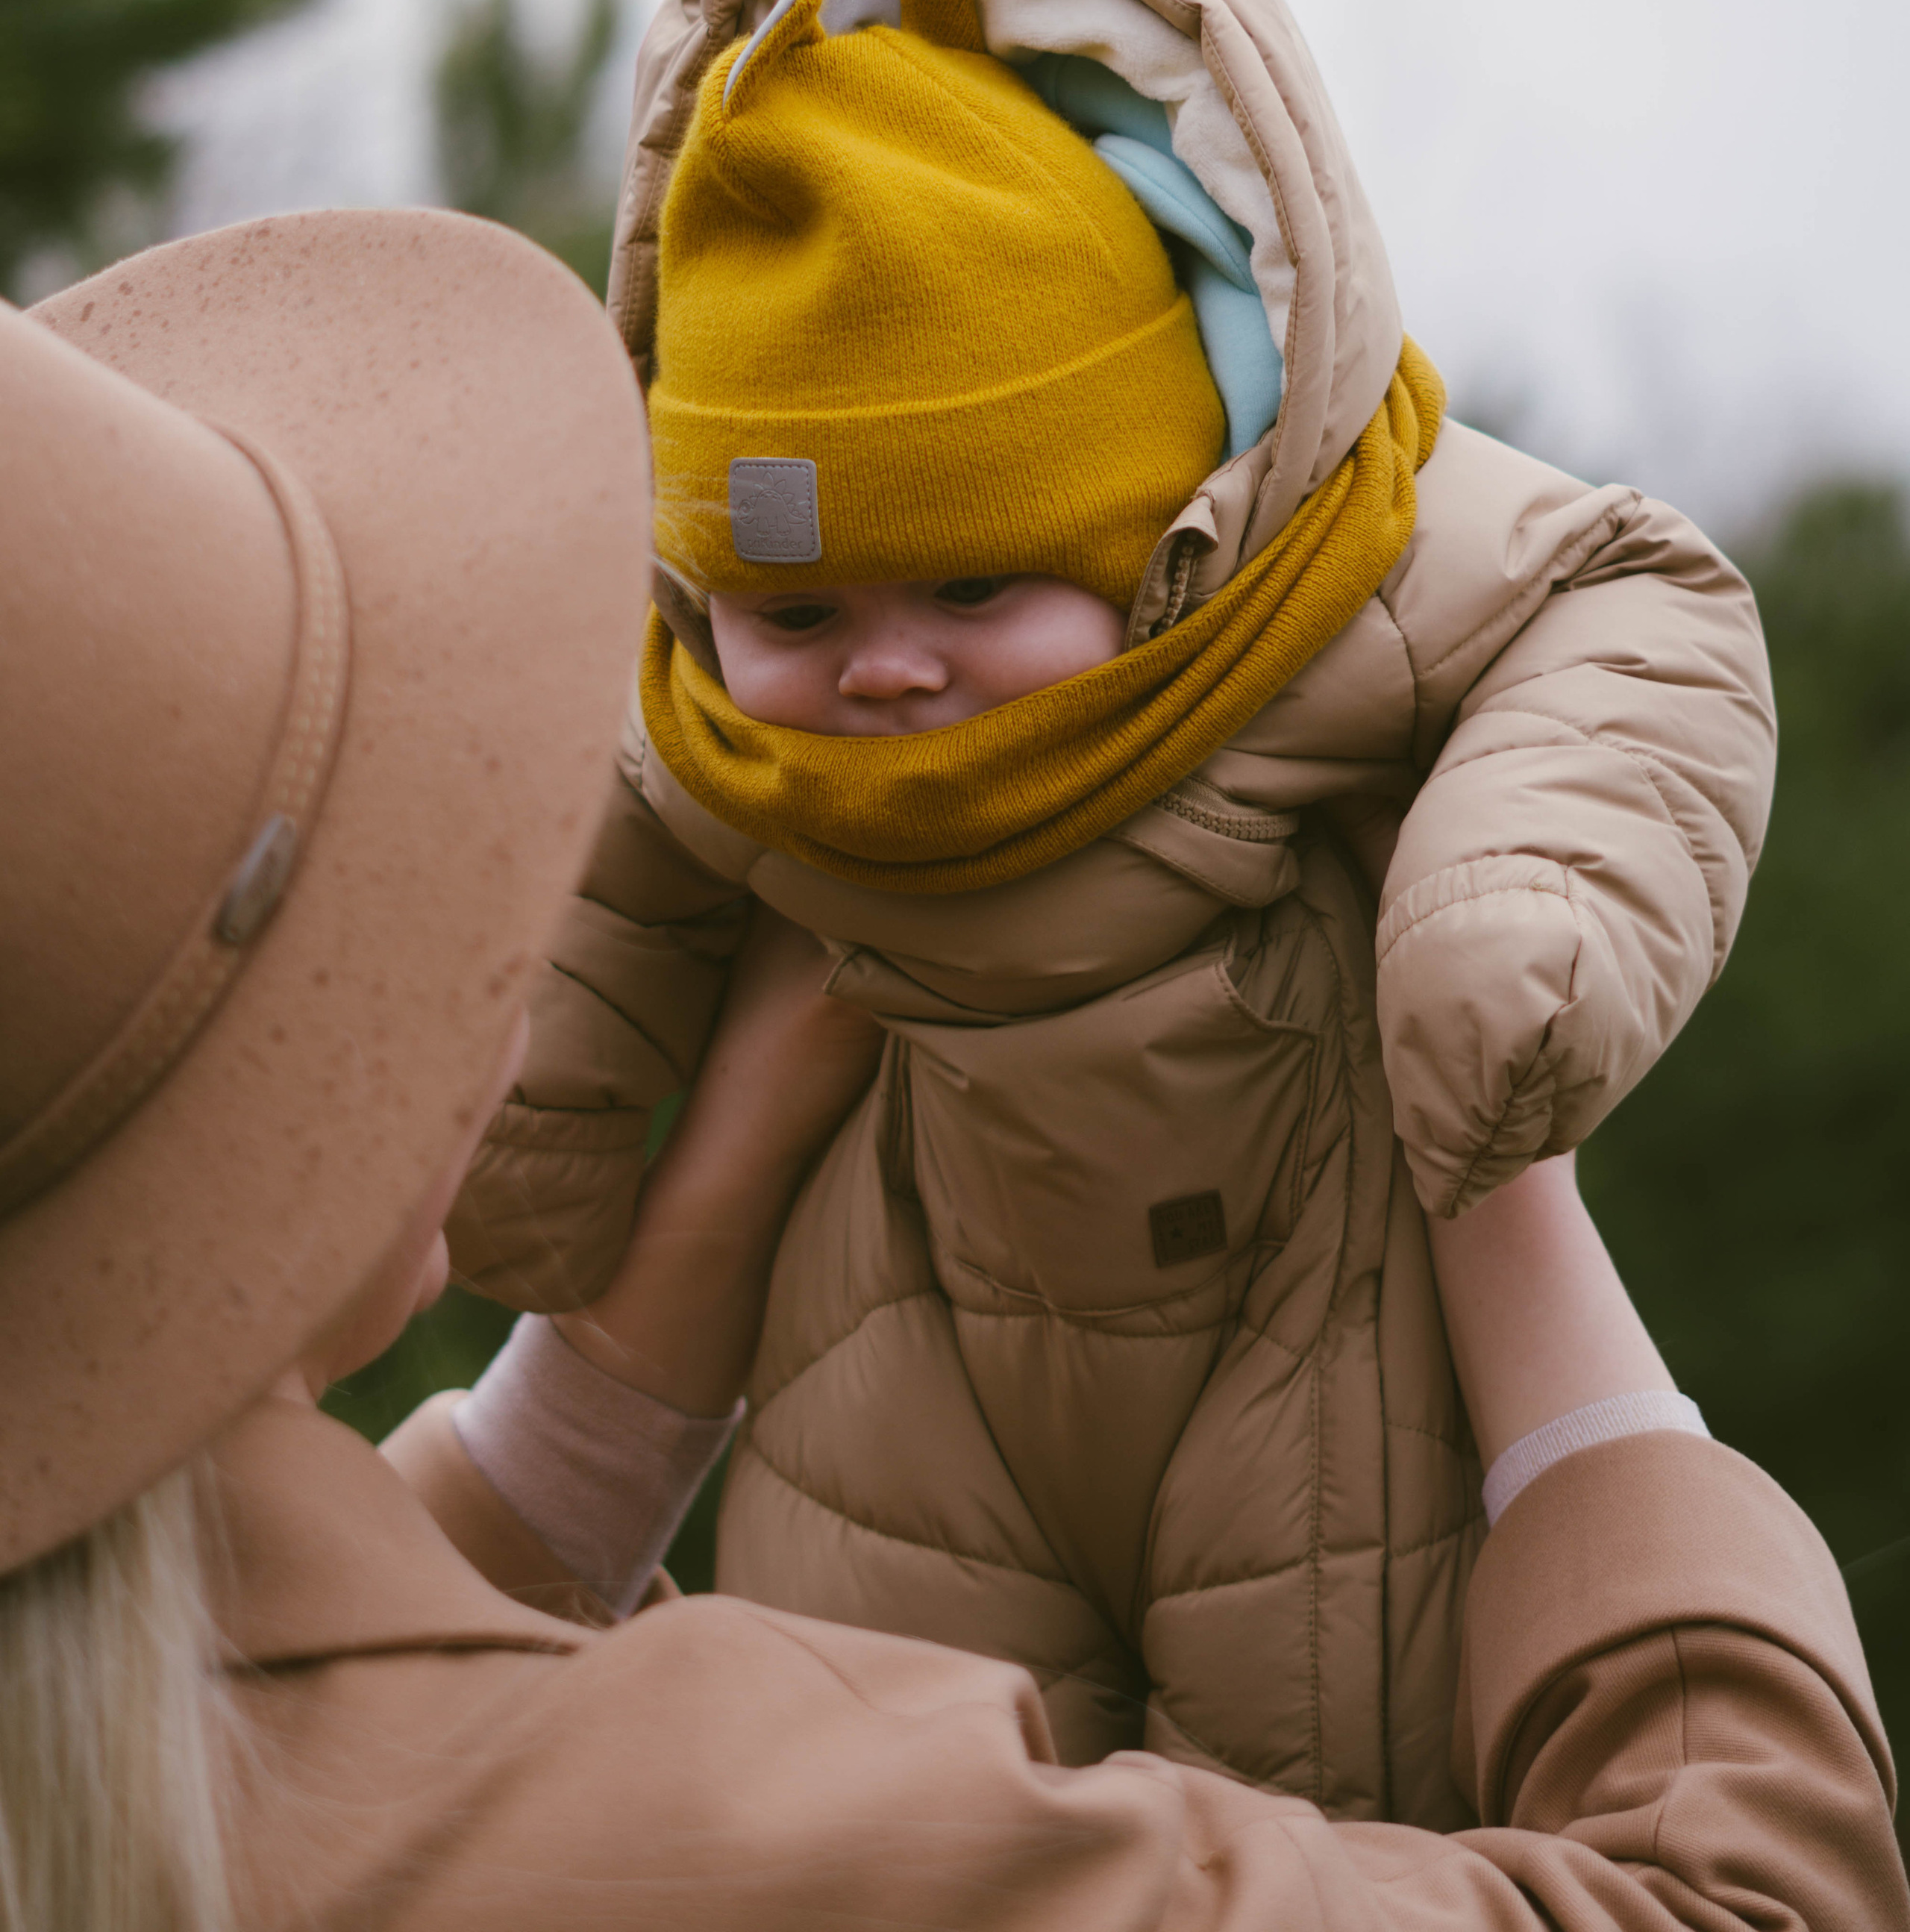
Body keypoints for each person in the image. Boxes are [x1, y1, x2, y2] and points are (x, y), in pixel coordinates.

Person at [1, 207, 1902, 1931]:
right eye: (405, 860)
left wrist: (687, 1235)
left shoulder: (149, 1793)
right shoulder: (759, 1847)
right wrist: (1488, 1167)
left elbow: (318, 1674)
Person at [450, 0, 1779, 1816]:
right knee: (893, 1816)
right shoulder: (720, 732)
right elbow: (609, 871)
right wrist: (527, 1117)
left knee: (1306, 1823)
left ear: (1155, 524)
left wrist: (1506, 917)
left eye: (975, 588)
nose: (886, 670)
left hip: (1311, 1295)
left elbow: (1630, 610)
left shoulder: (1320, 579)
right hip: (892, 1342)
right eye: (796, 608)